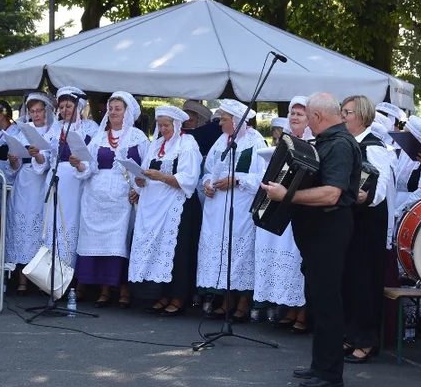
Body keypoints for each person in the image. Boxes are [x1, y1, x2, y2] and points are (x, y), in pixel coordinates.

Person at [260, 92, 361, 387]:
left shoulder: (341, 145)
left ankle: (330, 373)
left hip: (329, 231)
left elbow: (332, 193)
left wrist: (287, 196)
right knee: (317, 299)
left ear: (317, 117)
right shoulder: (327, 142)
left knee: (328, 301)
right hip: (317, 232)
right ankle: (320, 364)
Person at [74, 91, 148, 307]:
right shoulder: (99, 137)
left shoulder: (139, 138)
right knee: (97, 242)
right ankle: (103, 290)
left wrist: (139, 189)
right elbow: (89, 166)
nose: (113, 112)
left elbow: (147, 167)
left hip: (123, 197)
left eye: (118, 109)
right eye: (111, 108)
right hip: (96, 197)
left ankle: (123, 290)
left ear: (128, 112)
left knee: (120, 242)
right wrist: (78, 164)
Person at [196, 99, 268, 321]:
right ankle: (226, 299)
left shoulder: (256, 142)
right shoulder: (221, 141)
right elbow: (208, 170)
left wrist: (237, 180)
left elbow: (264, 177)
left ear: (237, 121)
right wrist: (207, 183)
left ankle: (244, 302)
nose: (220, 124)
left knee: (241, 250)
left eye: (224, 120)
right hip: (217, 206)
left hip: (242, 206)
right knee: (221, 249)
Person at [130, 105, 202, 315]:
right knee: (158, 251)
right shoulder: (157, 144)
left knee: (176, 252)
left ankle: (178, 297)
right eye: (160, 125)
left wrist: (161, 176)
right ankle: (160, 294)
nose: (162, 129)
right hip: (154, 206)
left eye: (166, 125)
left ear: (176, 124)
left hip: (176, 206)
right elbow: (144, 170)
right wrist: (140, 180)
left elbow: (189, 178)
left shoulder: (187, 143)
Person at [340, 95, 394, 365]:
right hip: (353, 221)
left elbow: (380, 187)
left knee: (364, 281)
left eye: (346, 112)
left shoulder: (374, 147)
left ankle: (366, 340)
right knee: (350, 280)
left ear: (360, 116)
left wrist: (363, 195)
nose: (342, 116)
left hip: (368, 222)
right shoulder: (350, 144)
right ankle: (351, 334)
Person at [254, 96, 310, 331]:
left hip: (301, 202)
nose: (294, 117)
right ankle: (287, 307)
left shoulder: (314, 141)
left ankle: (303, 312)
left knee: (297, 257)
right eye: (292, 113)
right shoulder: (285, 140)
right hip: (281, 201)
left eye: (300, 114)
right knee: (280, 254)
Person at [43, 87, 97, 278]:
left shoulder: (90, 128)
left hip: (77, 182)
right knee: (52, 224)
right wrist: (37, 154)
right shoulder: (55, 127)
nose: (65, 110)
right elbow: (47, 157)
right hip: (57, 179)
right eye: (62, 106)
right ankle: (51, 274)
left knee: (71, 224)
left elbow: (94, 159)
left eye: (69, 106)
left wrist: (80, 165)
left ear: (79, 107)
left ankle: (69, 274)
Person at [4, 92, 55, 295]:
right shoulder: (22, 131)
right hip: (23, 182)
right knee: (21, 229)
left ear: (46, 111)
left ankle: (41, 278)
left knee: (40, 230)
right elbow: (13, 167)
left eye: (39, 111)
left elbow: (48, 161)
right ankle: (22, 279)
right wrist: (14, 159)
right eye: (32, 111)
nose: (36, 115)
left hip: (42, 183)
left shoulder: (52, 130)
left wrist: (39, 156)